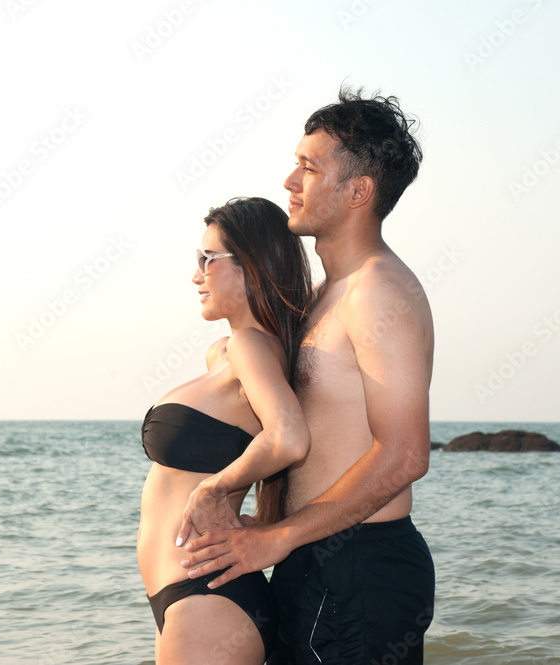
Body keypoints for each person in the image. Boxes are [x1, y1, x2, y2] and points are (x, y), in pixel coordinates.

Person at [178, 88, 435, 665]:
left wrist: (275, 538)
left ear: (358, 192)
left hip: (360, 567)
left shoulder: (378, 292)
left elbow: (404, 454)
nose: (290, 181)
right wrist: (261, 525)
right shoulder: (328, 295)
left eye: (309, 167)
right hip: (313, 558)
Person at [137, 196, 313, 665]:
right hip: (195, 596)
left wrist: (215, 489)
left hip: (207, 598)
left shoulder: (252, 347)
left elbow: (289, 437)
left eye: (206, 259)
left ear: (250, 266)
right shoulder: (226, 352)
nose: (195, 275)